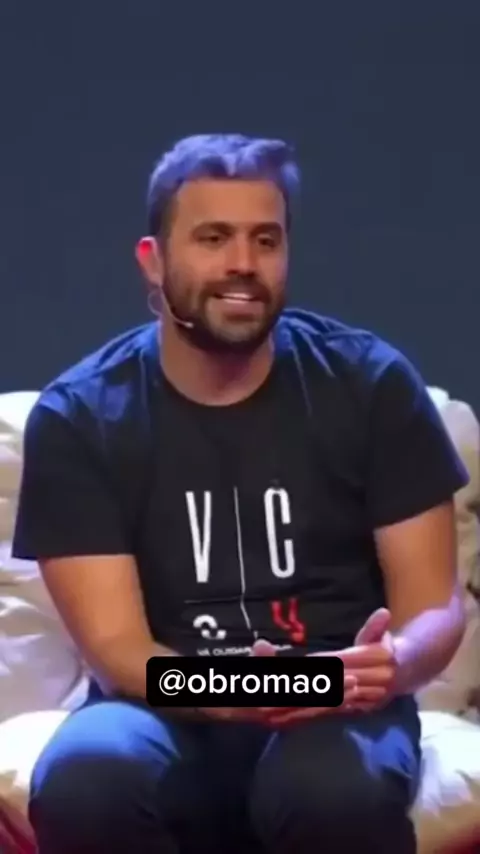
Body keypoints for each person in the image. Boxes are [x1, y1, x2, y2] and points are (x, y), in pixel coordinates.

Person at [12, 132, 468, 854]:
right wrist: (239, 690)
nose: (243, 264)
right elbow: (121, 652)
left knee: (330, 791)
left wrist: (395, 663)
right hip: (163, 706)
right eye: (213, 238)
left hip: (339, 705)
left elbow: (434, 608)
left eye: (266, 240)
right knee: (88, 779)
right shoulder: (81, 416)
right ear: (153, 261)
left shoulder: (370, 383)